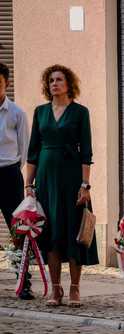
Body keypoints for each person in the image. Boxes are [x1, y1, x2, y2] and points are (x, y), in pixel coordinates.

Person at [25, 64, 98, 306]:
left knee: (74, 231)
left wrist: (85, 184)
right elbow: (33, 151)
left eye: (59, 80)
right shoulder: (40, 112)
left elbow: (86, 151)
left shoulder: (80, 112)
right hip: (46, 178)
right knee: (51, 233)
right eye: (51, 80)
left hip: (71, 178)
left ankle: (75, 289)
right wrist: (28, 184)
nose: (54, 84)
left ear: (69, 84)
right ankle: (56, 290)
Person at [0, 62, 31, 300]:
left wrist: (13, 170)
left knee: (18, 228)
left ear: (6, 84)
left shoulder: (16, 113)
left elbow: (24, 148)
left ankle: (24, 282)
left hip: (9, 174)